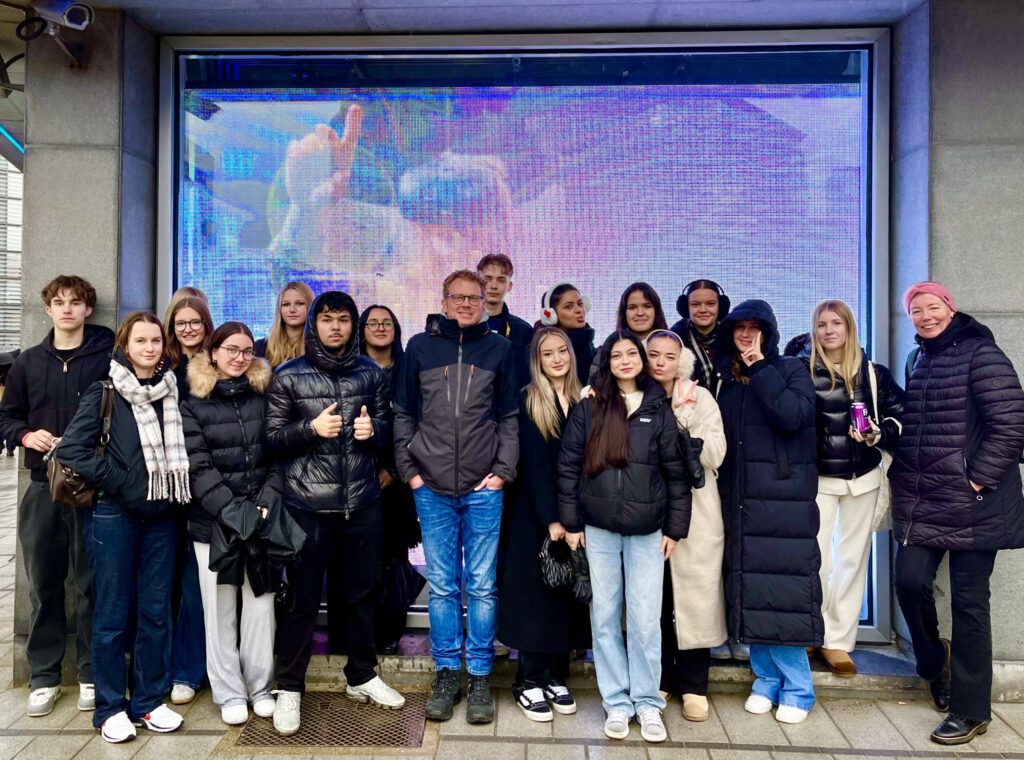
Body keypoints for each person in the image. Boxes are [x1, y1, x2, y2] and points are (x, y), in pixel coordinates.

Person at [890, 282, 1024, 746]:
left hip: (976, 505)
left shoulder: (981, 353)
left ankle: (970, 711)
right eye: (916, 310)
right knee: (909, 582)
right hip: (927, 500)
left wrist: (976, 480)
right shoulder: (917, 359)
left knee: (969, 605)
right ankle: (934, 664)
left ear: (950, 309)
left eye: (933, 307)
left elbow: (1012, 424)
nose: (925, 316)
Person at [264, 291, 403, 736]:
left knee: (360, 595)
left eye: (343, 319)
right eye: (327, 319)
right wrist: (310, 429)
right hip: (307, 504)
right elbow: (272, 440)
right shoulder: (288, 375)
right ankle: (290, 687)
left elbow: (390, 433)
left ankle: (361, 675)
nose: (336, 327)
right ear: (314, 325)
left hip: (361, 502)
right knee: (302, 599)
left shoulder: (371, 373)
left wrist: (374, 430)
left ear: (352, 325)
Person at [57, 311, 191, 743]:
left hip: (162, 519)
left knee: (155, 613)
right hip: (113, 516)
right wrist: (121, 480)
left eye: (156, 341)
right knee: (112, 615)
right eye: (141, 341)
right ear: (125, 346)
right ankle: (110, 708)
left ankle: (148, 701)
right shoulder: (106, 391)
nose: (150, 348)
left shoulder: (172, 392)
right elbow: (72, 450)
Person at [393, 269, 519, 725]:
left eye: (474, 297)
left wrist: (502, 472)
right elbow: (403, 414)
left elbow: (509, 417)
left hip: (484, 487)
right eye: (457, 297)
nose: (466, 303)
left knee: (482, 584)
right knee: (444, 585)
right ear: (443, 301)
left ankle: (480, 674)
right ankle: (447, 673)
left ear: (485, 302)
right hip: (431, 487)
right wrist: (410, 473)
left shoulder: (500, 349)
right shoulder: (420, 348)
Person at [557, 330, 691, 744]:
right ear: (607, 362)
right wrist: (572, 522)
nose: (626, 360)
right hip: (598, 528)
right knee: (604, 616)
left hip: (648, 531)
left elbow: (676, 473)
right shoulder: (590, 406)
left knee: (646, 619)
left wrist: (675, 528)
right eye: (617, 355)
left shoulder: (657, 408)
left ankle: (648, 702)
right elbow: (568, 466)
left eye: (632, 353)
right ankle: (616, 702)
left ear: (642, 360)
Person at [0, 276, 113, 717]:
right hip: (41, 486)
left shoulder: (105, 359)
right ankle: (44, 676)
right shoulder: (28, 362)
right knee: (44, 584)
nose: (67, 309)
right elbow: (7, 417)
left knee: (91, 585)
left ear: (88, 309)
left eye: (76, 302)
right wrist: (27, 435)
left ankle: (90, 672)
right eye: (59, 302)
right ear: (47, 310)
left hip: (92, 487)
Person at [713, 299, 821, 725]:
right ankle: (766, 680)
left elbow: (794, 416)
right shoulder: (726, 380)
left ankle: (798, 689)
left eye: (754, 328)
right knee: (751, 590)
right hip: (740, 499)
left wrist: (760, 367)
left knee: (784, 593)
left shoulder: (790, 369)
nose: (745, 336)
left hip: (783, 501)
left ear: (769, 333)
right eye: (738, 328)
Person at [180, 322, 282, 726]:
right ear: (214, 352)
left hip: (260, 519)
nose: (239, 358)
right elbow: (197, 466)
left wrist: (264, 503)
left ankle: (260, 687)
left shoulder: (264, 397)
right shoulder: (193, 403)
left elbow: (278, 457)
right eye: (231, 350)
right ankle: (228, 692)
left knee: (261, 606)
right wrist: (233, 512)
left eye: (246, 351)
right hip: (213, 524)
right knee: (219, 610)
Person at [805, 301, 904, 677]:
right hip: (818, 481)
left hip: (864, 478)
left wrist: (878, 433)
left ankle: (837, 641)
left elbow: (902, 417)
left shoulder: (874, 373)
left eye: (836, 323)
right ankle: (810, 632)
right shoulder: (802, 372)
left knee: (851, 560)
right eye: (822, 324)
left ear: (849, 327)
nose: (829, 330)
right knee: (816, 560)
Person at [497, 327, 590, 723]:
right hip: (538, 517)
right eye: (547, 353)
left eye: (562, 351)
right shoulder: (529, 400)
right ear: (536, 360)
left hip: (577, 517)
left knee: (566, 597)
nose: (556, 359)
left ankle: (556, 676)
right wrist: (553, 519)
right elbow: (535, 466)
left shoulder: (583, 398)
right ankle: (529, 680)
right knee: (537, 599)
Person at [645, 330, 727, 723]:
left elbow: (717, 452)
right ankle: (659, 678)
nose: (661, 362)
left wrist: (680, 431)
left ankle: (695, 684)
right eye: (653, 354)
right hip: (647, 509)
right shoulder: (632, 397)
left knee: (696, 598)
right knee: (655, 600)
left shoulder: (700, 397)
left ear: (682, 361)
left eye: (670, 356)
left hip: (697, 511)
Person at [356, 304, 423, 655]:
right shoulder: (352, 369)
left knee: (393, 557)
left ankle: (389, 630)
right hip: (357, 478)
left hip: (398, 480)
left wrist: (394, 471)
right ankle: (361, 632)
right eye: (373, 323)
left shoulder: (408, 370)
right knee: (360, 560)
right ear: (362, 329)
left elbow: (418, 422)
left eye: (387, 322)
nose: (380, 328)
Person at [162, 293, 214, 706]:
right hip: (162, 487)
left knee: (196, 584)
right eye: (181, 323)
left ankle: (191, 669)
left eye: (195, 322)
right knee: (164, 583)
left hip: (203, 486)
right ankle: (165, 669)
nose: (188, 329)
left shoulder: (216, 364)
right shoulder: (159, 364)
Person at [477, 252, 534, 391]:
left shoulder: (524, 331)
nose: (493, 286)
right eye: (487, 279)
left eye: (501, 280)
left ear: (510, 286)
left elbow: (528, 379)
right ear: (477, 283)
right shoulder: (463, 326)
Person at [670, 279, 731, 398]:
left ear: (721, 306)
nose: (703, 310)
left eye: (710, 304)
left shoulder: (734, 338)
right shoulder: (673, 341)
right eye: (695, 304)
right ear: (686, 307)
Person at [537, 282, 594, 386]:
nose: (579, 310)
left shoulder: (588, 345)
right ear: (551, 315)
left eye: (580, 304)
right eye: (569, 307)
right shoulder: (537, 348)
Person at [255, 281, 314, 369]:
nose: (292, 310)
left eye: (300, 303)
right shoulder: (260, 348)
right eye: (286, 304)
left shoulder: (321, 348)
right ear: (279, 309)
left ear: (311, 306)